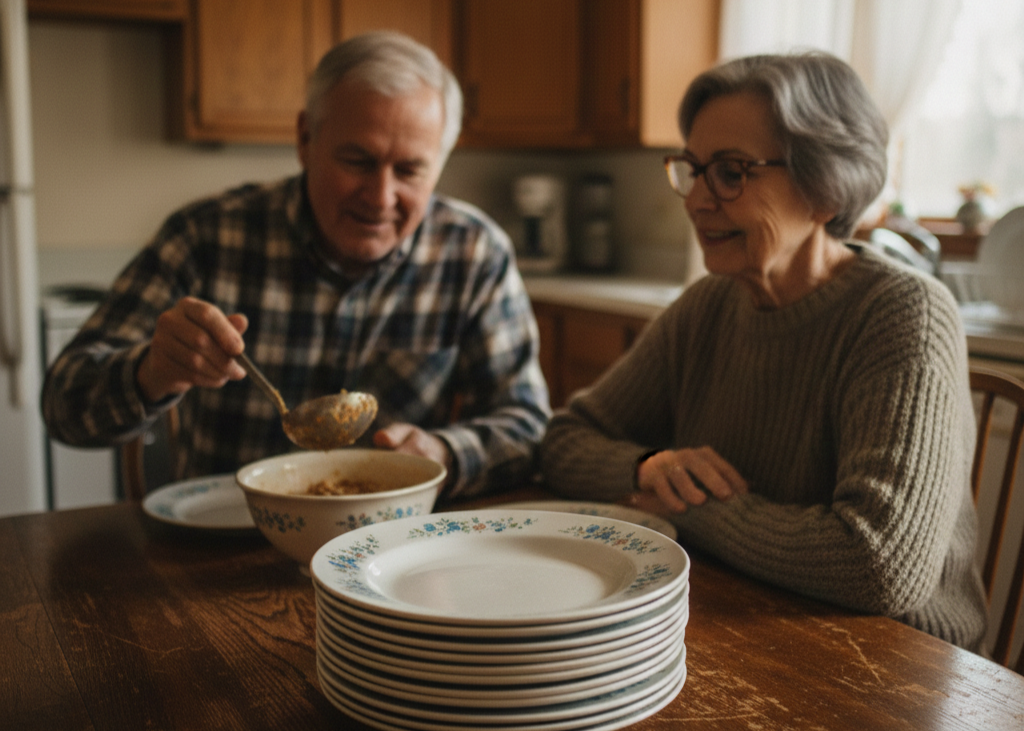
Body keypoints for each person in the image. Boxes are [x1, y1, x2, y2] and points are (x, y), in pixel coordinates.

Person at [539, 51, 987, 651]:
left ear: (826, 189)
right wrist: (648, 465)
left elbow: (879, 565)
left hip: (897, 662)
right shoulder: (708, 306)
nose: (697, 200)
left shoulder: (903, 314)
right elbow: (565, 440)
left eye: (731, 172)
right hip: (750, 617)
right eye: (693, 170)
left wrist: (687, 510)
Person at [42, 31, 550, 500]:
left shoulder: (474, 253)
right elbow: (64, 406)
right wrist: (150, 372)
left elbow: (527, 427)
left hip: (389, 558)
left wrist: (442, 453)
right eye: (357, 161)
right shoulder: (205, 236)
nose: (380, 197)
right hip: (220, 547)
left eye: (410, 170)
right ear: (306, 138)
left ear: (441, 162)